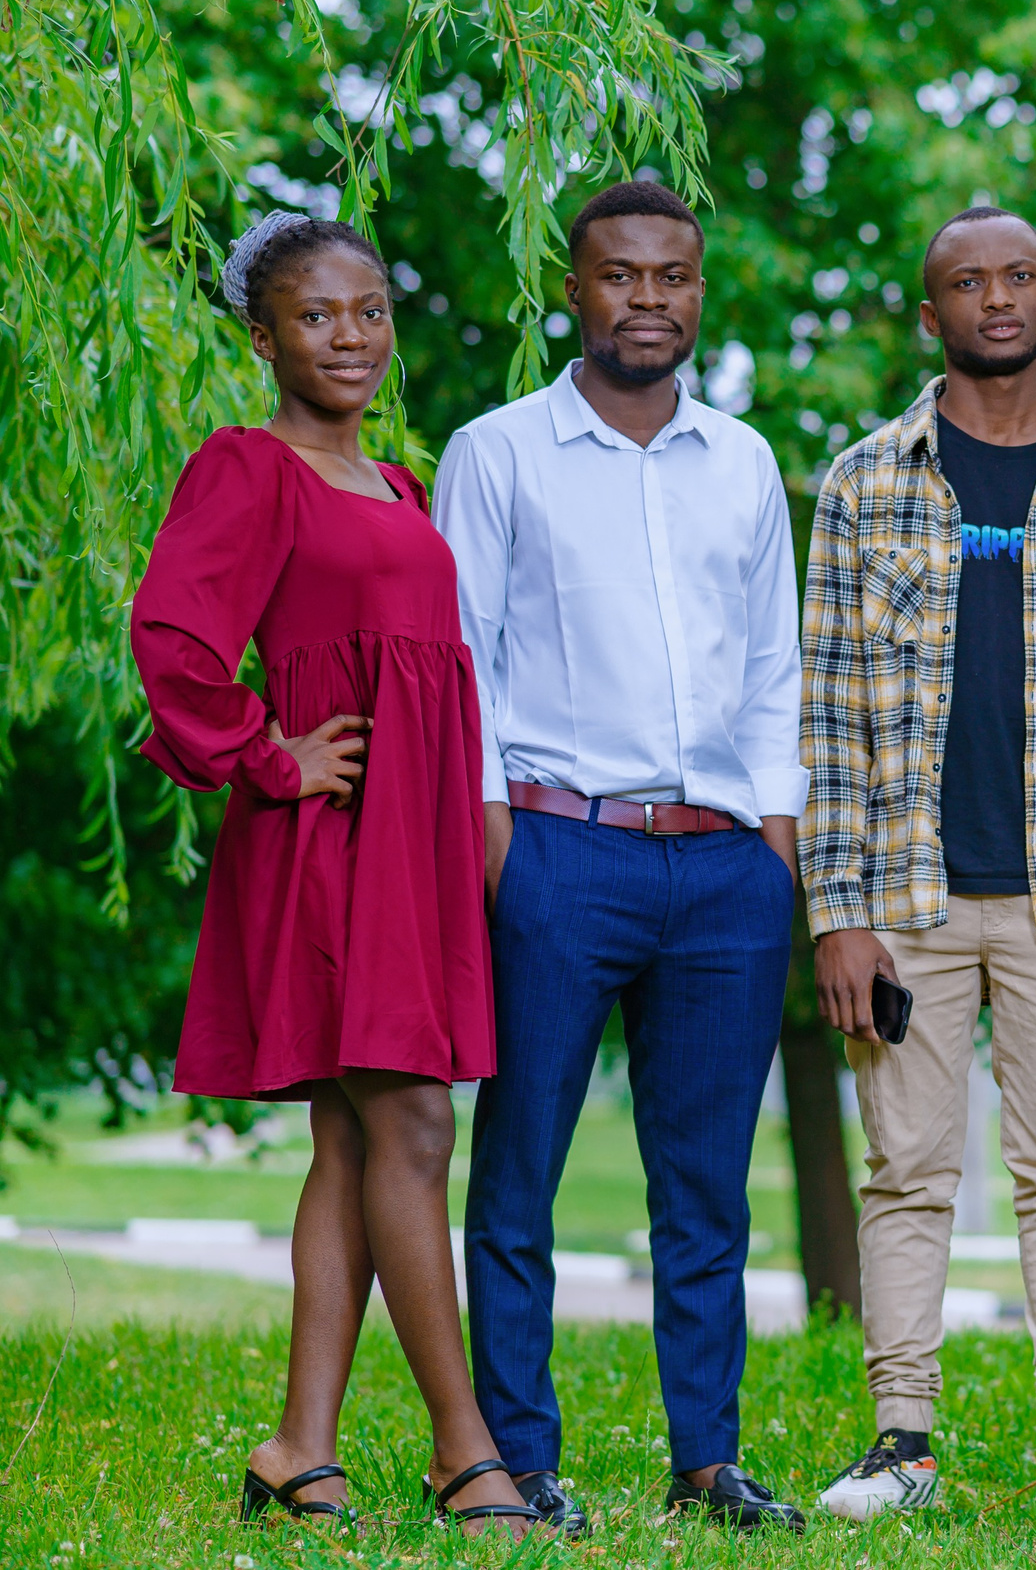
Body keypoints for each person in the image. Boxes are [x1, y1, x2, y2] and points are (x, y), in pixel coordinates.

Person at [132, 214, 534, 1537]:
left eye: (367, 310)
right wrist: (273, 758)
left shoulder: (403, 488)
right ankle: (464, 1448)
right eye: (316, 315)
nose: (348, 335)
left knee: (359, 1134)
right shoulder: (251, 468)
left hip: (408, 842)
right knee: (414, 1127)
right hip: (327, 842)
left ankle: (299, 1445)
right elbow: (176, 637)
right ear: (266, 336)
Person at [800, 207, 1036, 1530]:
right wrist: (835, 910)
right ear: (931, 314)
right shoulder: (861, 483)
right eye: (967, 281)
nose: (997, 298)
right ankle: (898, 1443)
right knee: (905, 1168)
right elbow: (830, 710)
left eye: (1019, 274)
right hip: (903, 903)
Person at [438, 181, 808, 1534]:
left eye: (673, 277)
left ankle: (707, 1457)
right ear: (574, 286)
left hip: (723, 871)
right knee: (518, 1165)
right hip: (555, 849)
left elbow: (773, 660)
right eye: (620, 275)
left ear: (699, 292)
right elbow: (459, 664)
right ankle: (516, 1457)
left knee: (705, 1181)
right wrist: (490, 840)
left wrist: (773, 839)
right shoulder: (497, 451)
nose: (648, 299)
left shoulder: (745, 459)